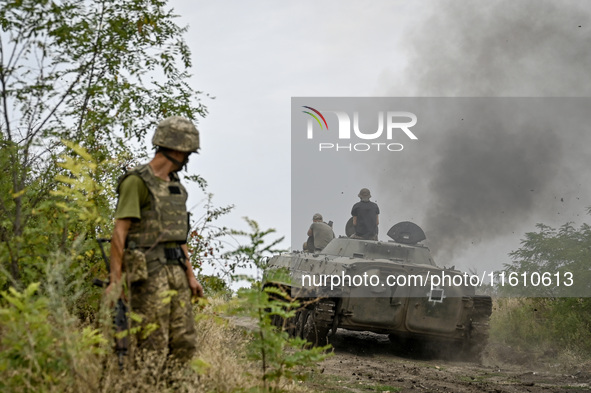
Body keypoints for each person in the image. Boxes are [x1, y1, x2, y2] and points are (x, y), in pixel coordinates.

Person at [105, 116, 203, 370]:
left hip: (176, 273)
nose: (187, 160)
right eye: (187, 153)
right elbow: (119, 233)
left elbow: (179, 236)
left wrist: (191, 276)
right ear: (176, 149)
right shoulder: (136, 182)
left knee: (185, 342)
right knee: (152, 344)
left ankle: (173, 387)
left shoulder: (176, 187)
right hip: (148, 273)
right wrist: (116, 281)